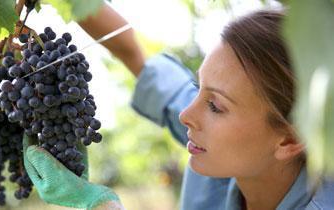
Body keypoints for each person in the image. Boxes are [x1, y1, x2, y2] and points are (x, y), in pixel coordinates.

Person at [23, 2, 334, 210]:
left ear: (290, 139)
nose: (187, 114)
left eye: (215, 106)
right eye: (199, 89)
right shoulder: (229, 153)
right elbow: (132, 52)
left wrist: (98, 204)